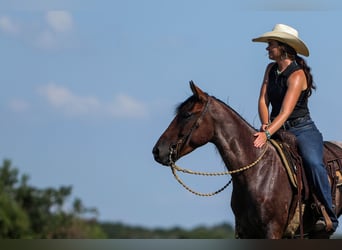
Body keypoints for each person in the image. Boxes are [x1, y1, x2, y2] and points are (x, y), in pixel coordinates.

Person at [251, 23, 338, 233]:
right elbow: (263, 99)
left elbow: (286, 112)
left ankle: (329, 213)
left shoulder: (297, 75)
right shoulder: (270, 69)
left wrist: (267, 133)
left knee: (313, 163)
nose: (267, 48)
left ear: (283, 47)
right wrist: (265, 123)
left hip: (302, 129)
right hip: (275, 127)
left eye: (270, 45)